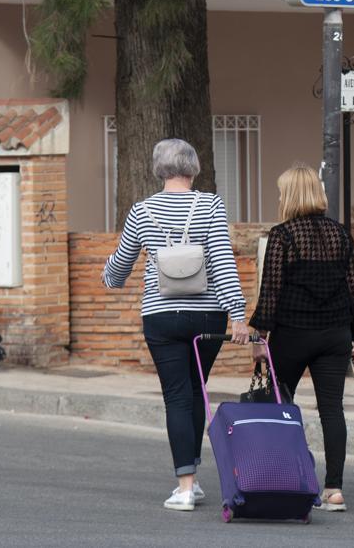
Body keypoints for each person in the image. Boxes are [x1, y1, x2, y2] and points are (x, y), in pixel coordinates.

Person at [102, 139, 248, 512]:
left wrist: (110, 278)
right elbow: (221, 260)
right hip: (207, 314)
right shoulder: (210, 204)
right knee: (197, 390)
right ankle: (193, 480)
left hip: (161, 315)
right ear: (194, 167)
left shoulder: (142, 211)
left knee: (177, 395)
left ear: (158, 168)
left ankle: (185, 485)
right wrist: (238, 313)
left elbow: (121, 264)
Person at [249, 166, 354, 512]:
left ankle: (283, 476)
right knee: (332, 410)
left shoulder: (283, 235)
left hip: (291, 334)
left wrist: (260, 336)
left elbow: (270, 291)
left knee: (278, 406)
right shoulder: (341, 235)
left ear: (289, 196)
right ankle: (334, 490)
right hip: (334, 336)